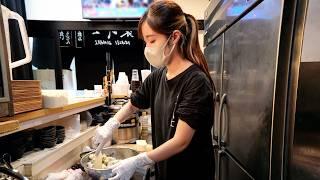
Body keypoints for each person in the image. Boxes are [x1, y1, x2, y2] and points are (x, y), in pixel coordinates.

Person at [93, 1, 215, 180]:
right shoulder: (158, 77)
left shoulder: (196, 82)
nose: (148, 48)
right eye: (146, 42)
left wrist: (138, 160)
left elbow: (181, 141)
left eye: (152, 40)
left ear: (174, 37)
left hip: (192, 173)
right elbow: (133, 104)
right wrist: (112, 124)